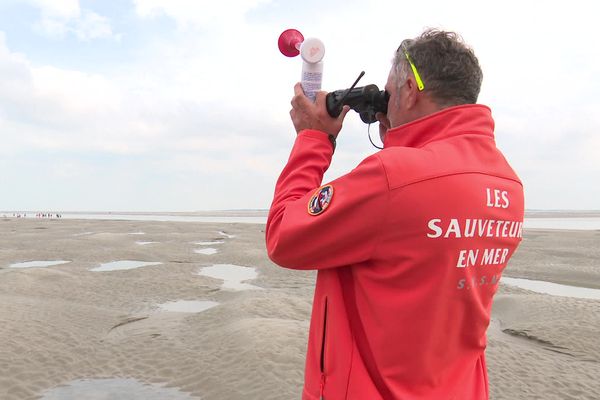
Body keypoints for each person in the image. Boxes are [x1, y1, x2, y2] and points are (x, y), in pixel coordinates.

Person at [265, 29, 524, 400]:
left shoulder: (392, 178)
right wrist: (397, 132)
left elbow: (282, 237)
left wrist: (313, 138)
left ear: (409, 90)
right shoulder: (507, 183)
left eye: (389, 93)